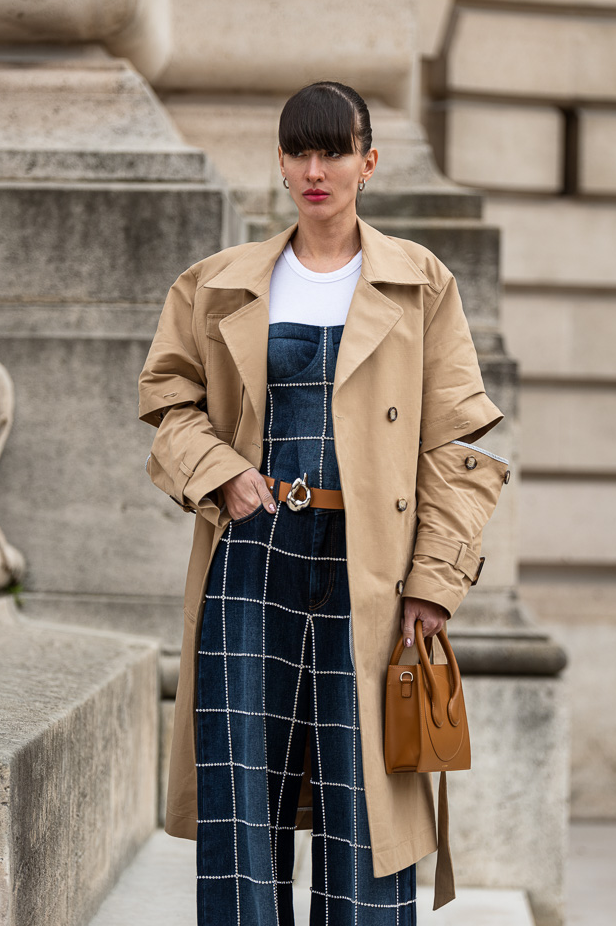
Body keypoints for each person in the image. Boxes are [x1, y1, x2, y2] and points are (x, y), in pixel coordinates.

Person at [138, 81, 509, 925]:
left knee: (364, 808)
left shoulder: (421, 283)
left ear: (367, 163)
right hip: (251, 555)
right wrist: (224, 474)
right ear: (279, 162)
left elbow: (458, 448)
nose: (316, 169)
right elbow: (167, 402)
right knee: (243, 802)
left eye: (333, 151)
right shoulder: (217, 283)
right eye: (299, 152)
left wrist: (433, 582)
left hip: (371, 570)